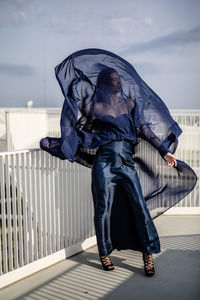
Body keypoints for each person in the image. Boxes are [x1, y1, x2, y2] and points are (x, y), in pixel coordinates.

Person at [40, 48, 197, 277]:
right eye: (111, 79)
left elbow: (144, 129)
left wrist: (164, 151)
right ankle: (104, 253)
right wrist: (62, 141)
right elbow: (82, 129)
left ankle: (148, 254)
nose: (116, 82)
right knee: (102, 207)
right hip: (103, 162)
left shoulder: (130, 105)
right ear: (104, 83)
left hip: (126, 162)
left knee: (139, 207)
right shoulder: (95, 107)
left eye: (117, 79)